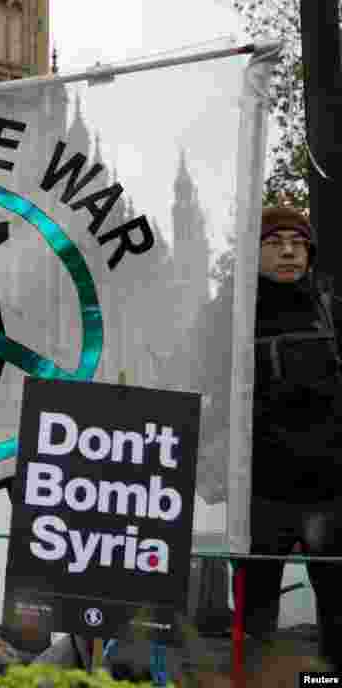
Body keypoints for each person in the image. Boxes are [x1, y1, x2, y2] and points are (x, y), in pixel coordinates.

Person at [233, 206, 342, 668]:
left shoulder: (333, 310)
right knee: (255, 616)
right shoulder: (232, 314)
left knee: (336, 613)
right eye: (275, 242)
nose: (288, 251)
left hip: (328, 494)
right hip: (260, 493)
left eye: (297, 243)